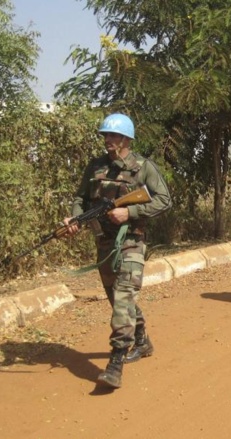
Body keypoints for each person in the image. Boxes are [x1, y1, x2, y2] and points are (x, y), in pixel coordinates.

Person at [64, 113, 172, 388]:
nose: (107, 140)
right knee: (116, 297)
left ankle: (115, 362)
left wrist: (131, 211)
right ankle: (142, 340)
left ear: (126, 139)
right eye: (105, 136)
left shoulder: (143, 167)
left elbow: (164, 200)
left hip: (132, 241)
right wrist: (75, 219)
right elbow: (81, 198)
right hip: (104, 243)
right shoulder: (95, 166)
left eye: (112, 136)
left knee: (124, 296)